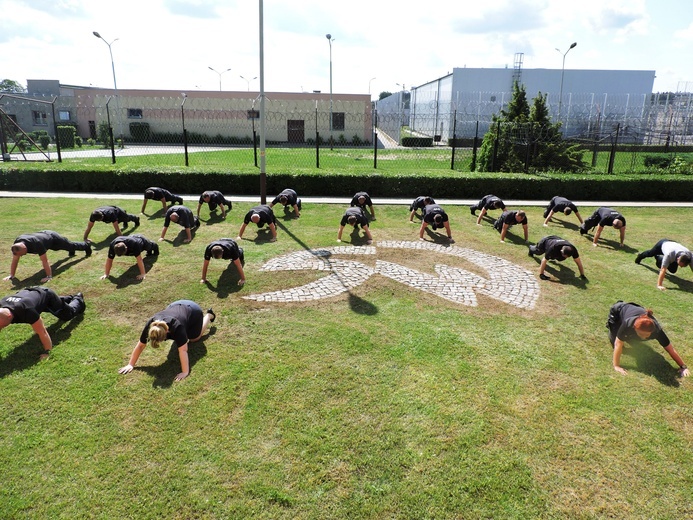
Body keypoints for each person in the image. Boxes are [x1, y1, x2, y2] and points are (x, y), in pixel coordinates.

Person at [118, 300, 215, 382]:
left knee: (194, 338)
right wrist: (130, 364)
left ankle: (208, 315)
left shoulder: (177, 326)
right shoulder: (151, 324)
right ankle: (184, 333)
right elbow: (140, 345)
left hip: (193, 310)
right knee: (180, 339)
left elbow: (183, 350)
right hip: (174, 306)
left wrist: (185, 372)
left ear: (167, 333)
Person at [606, 301, 690, 377]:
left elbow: (670, 349)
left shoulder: (657, 331)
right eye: (641, 334)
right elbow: (618, 344)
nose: (644, 337)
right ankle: (616, 330)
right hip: (618, 311)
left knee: (633, 338)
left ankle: (629, 336)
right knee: (617, 342)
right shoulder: (628, 324)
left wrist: (683, 367)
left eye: (647, 335)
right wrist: (616, 366)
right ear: (634, 328)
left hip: (635, 312)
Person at [0, 287, 85, 359]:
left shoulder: (27, 311)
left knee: (67, 315)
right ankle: (65, 300)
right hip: (31, 294)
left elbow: (42, 331)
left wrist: (47, 352)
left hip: (47, 296)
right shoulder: (1, 306)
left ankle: (78, 299)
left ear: (9, 316)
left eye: (2, 326)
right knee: (56, 305)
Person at [4, 231, 92, 283]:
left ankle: (86, 246)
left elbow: (44, 261)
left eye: (23, 254)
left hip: (53, 238)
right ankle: (70, 250)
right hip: (44, 236)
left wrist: (49, 276)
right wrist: (12, 275)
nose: (22, 256)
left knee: (70, 245)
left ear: (25, 248)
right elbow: (15, 260)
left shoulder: (37, 244)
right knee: (67, 246)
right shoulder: (17, 244)